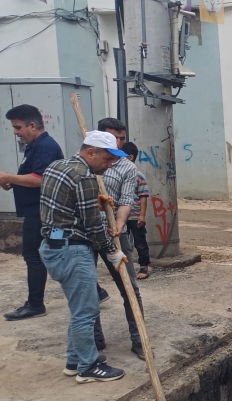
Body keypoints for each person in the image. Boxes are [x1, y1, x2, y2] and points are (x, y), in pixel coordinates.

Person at [39, 131, 128, 383]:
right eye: (107, 159)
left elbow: (62, 206)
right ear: (91, 152)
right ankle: (87, 367)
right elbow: (93, 227)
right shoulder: (85, 177)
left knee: (79, 307)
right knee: (86, 311)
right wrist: (113, 252)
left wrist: (94, 203)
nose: (109, 165)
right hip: (73, 249)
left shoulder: (57, 167)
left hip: (53, 244)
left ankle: (74, 359)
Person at [0, 104, 63, 320]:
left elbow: (40, 179)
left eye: (18, 127)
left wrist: (9, 178)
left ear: (32, 125)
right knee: (56, 252)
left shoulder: (45, 147)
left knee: (34, 254)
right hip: (42, 213)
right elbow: (32, 177)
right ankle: (97, 292)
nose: (16, 132)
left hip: (40, 214)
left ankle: (35, 305)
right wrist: (11, 182)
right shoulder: (35, 146)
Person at [93, 118, 145, 360]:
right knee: (86, 289)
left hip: (115, 234)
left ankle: (139, 340)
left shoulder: (127, 166)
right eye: (115, 138)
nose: (120, 143)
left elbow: (126, 200)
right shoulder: (88, 161)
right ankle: (95, 339)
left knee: (129, 287)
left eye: (123, 138)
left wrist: (120, 224)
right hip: (86, 235)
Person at [121, 142, 151, 278]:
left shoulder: (139, 176)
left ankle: (144, 266)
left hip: (134, 215)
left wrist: (142, 215)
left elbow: (143, 197)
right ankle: (123, 267)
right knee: (122, 242)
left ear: (130, 157)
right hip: (122, 216)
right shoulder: (119, 174)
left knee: (140, 242)